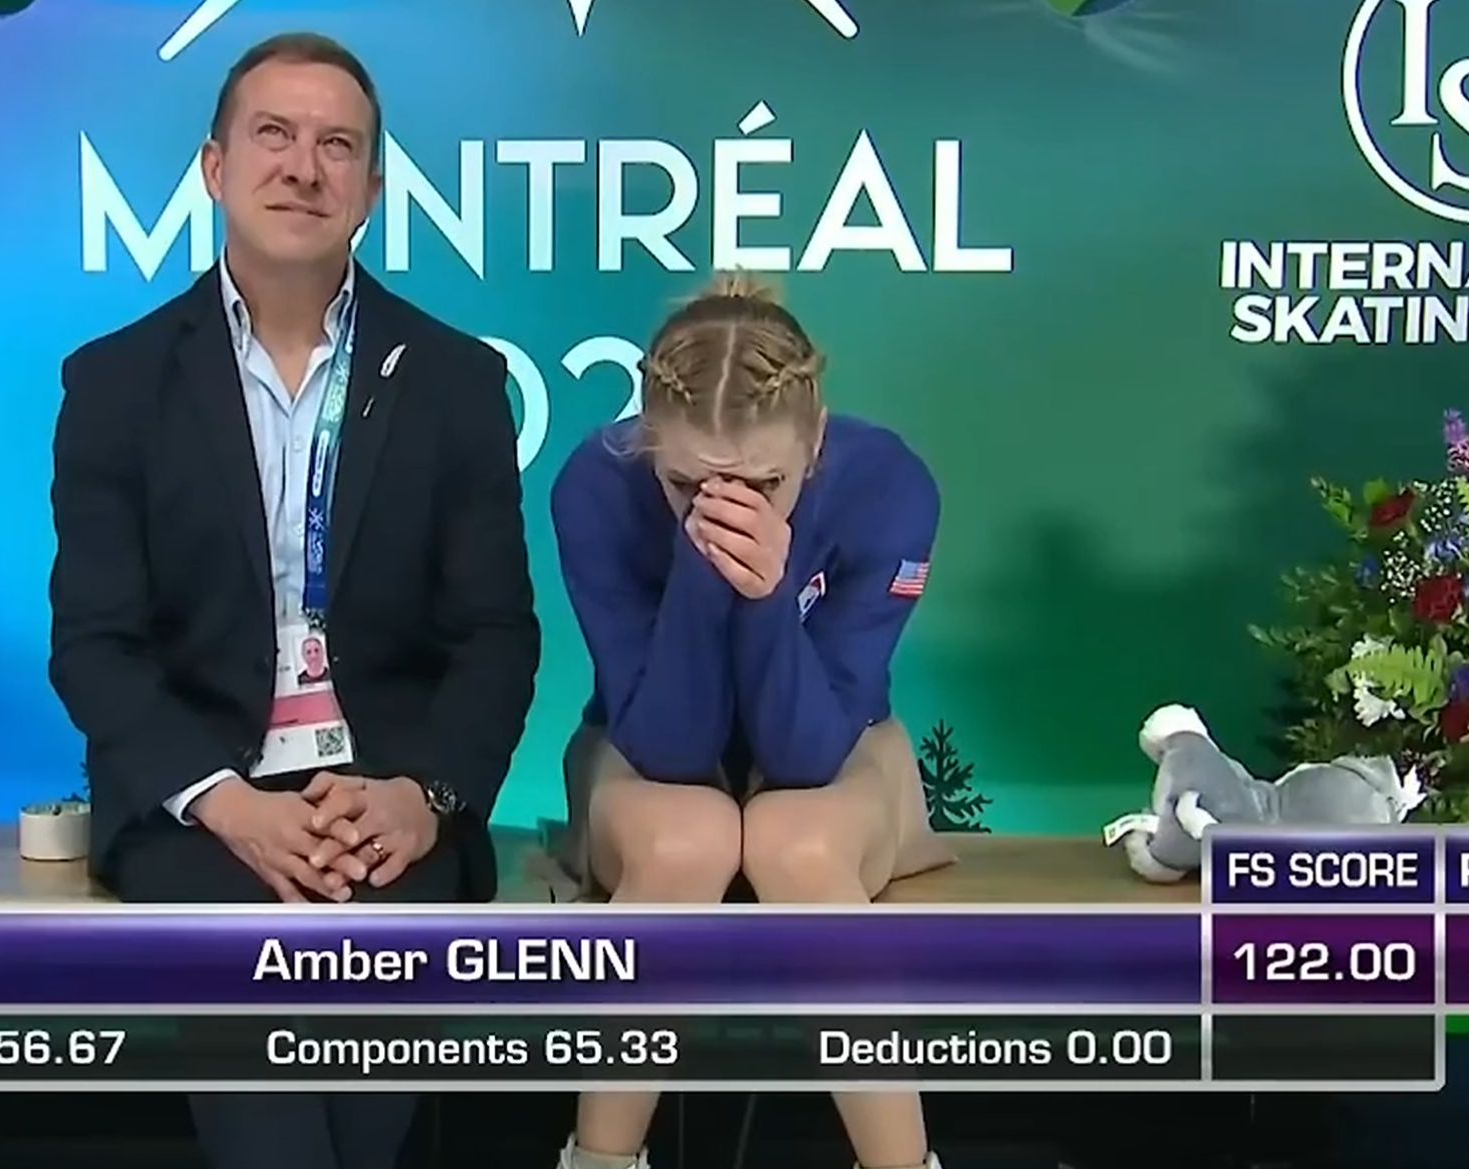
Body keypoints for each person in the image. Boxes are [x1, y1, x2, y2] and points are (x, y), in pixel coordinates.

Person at [47, 31, 538, 1169]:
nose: (303, 167)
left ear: (371, 190)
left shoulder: (457, 381)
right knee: (262, 1043)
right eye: (273, 134)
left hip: (387, 801)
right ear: (215, 166)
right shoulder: (114, 383)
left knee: (362, 1065)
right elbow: (95, 646)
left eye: (337, 146)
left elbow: (497, 636)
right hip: (197, 806)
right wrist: (226, 802)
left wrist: (426, 793)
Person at [548, 274, 953, 1169]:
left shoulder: (887, 483)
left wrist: (766, 594)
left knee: (794, 841)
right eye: (686, 483)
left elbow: (809, 752)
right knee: (684, 838)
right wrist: (706, 572)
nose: (726, 508)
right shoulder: (595, 482)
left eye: (765, 483)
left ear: (815, 441)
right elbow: (667, 746)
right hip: (640, 754)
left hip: (840, 745)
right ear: (647, 444)